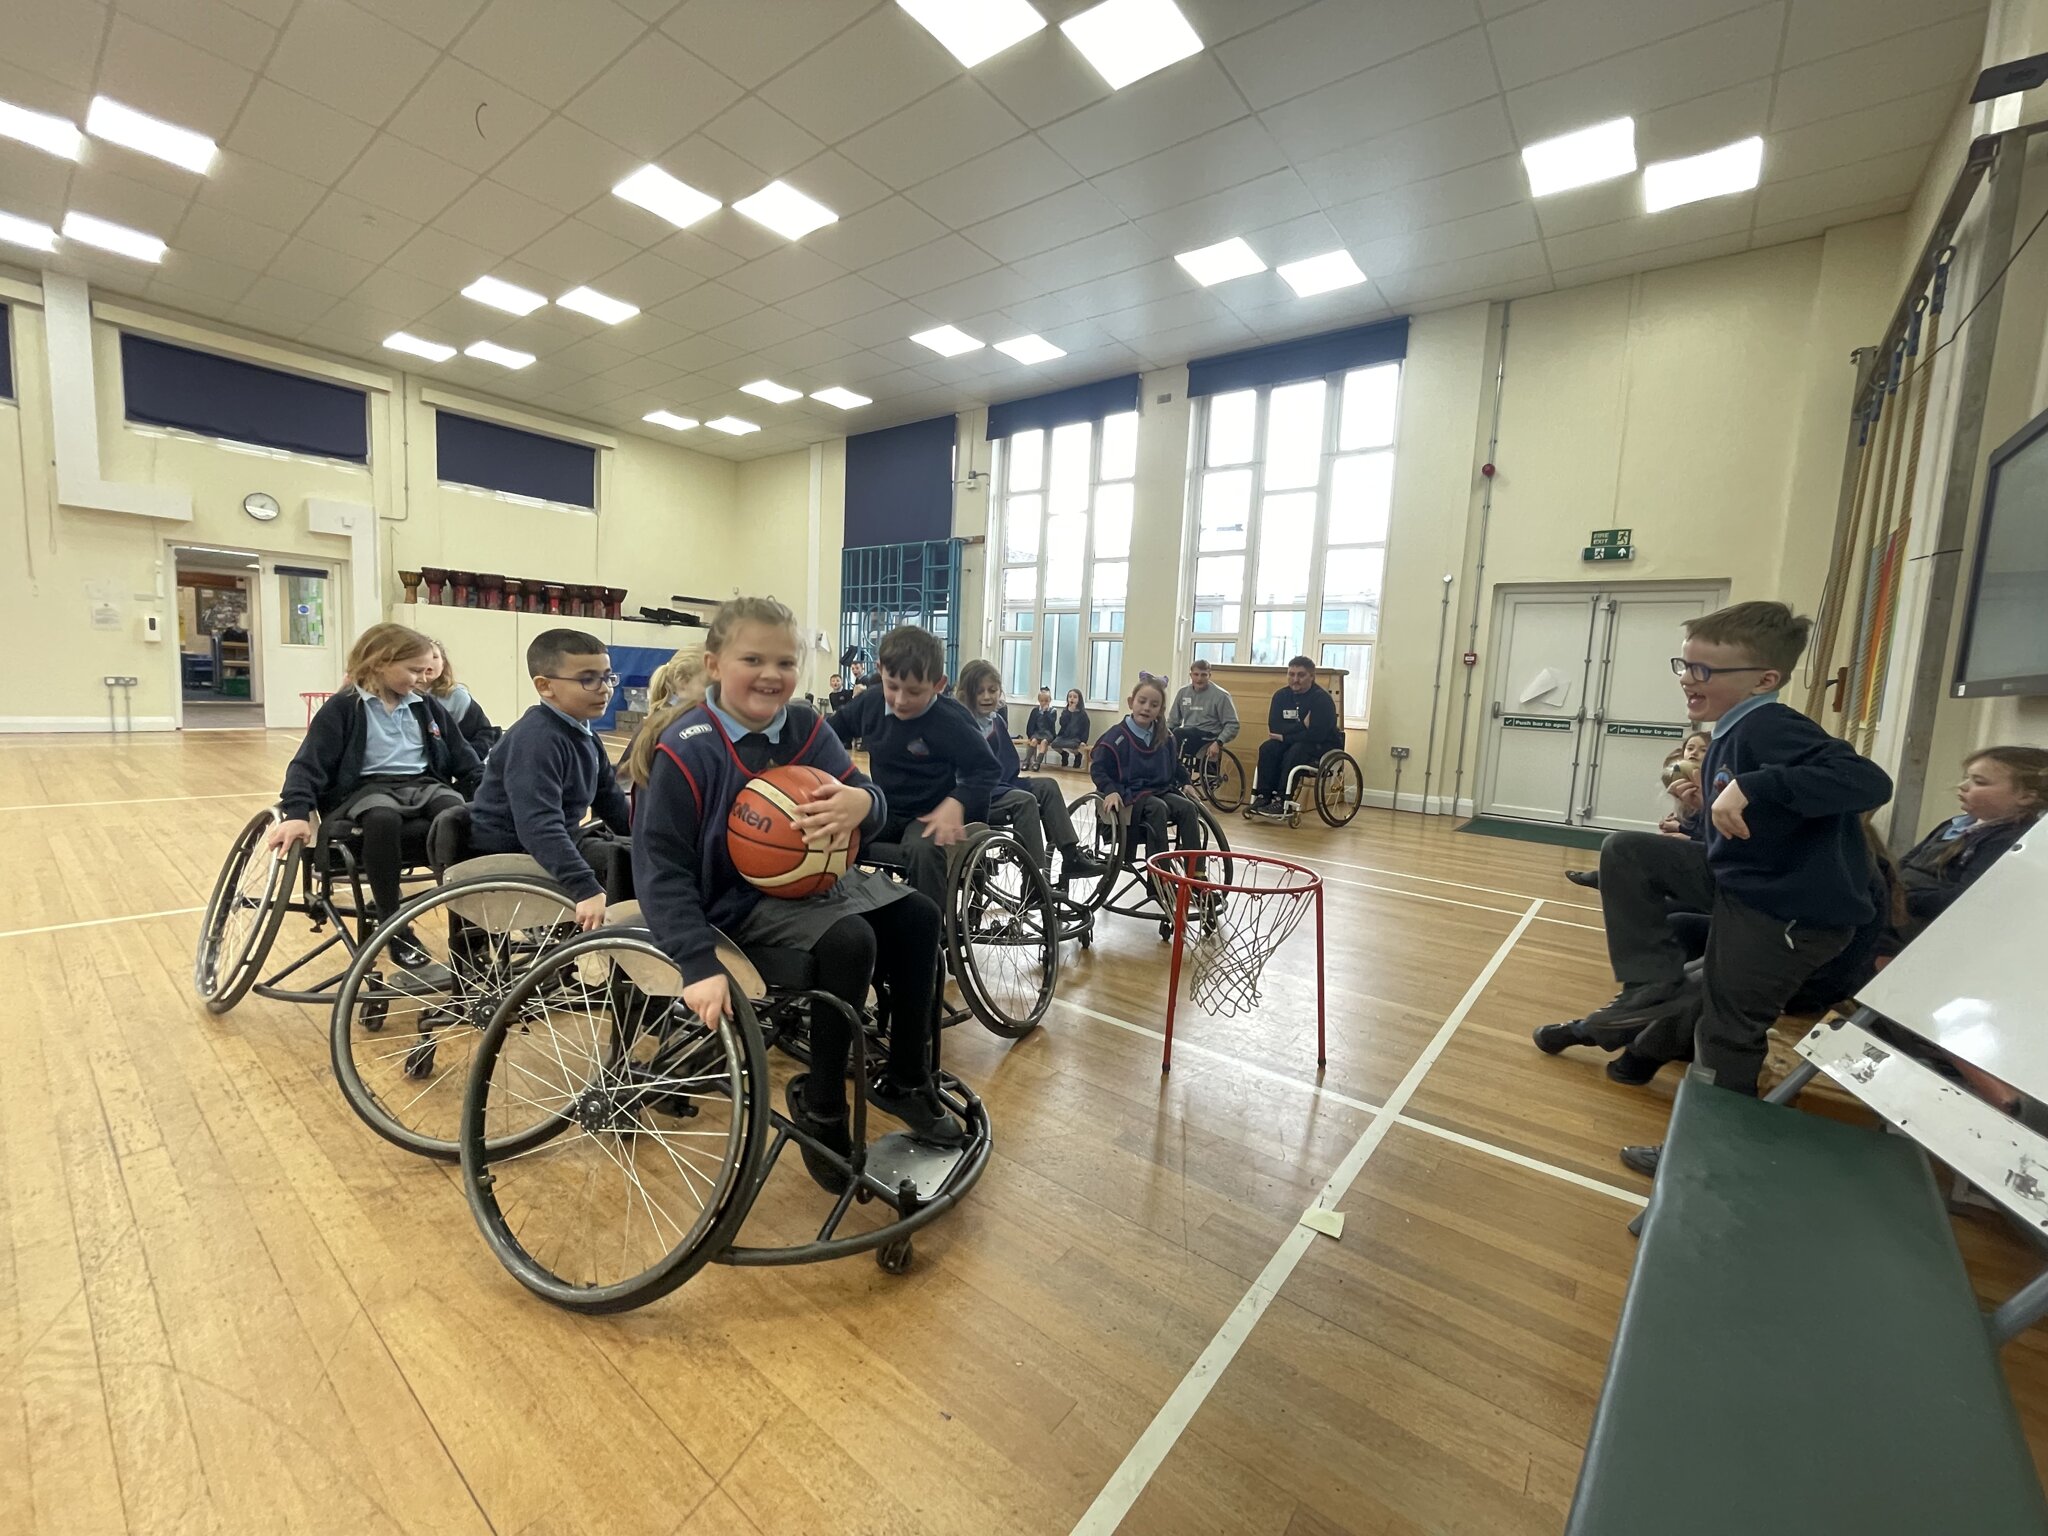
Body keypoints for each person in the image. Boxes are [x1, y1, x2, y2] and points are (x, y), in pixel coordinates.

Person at [1533, 601, 1893, 1177]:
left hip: (1788, 915)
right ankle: (1645, 986)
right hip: (1743, 887)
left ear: (1763, 680)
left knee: (1725, 1032)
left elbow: (1870, 780)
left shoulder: (1771, 725)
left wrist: (1754, 783)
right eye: (1685, 665)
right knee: (1628, 852)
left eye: (1704, 671)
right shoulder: (1730, 729)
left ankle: (1709, 1156)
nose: (1687, 679)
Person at [627, 597, 964, 1183]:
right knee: (849, 941)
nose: (771, 674)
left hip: (812, 885)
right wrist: (695, 962)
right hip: (731, 906)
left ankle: (907, 1078)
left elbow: (864, 794)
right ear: (714, 664)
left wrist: (865, 802)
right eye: (752, 658)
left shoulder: (806, 727)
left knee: (919, 914)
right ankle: (823, 1105)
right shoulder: (688, 747)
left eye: (785, 661)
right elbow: (660, 867)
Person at [270, 622, 482, 968]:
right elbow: (307, 766)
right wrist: (296, 814)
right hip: (368, 790)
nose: (420, 678)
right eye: (413, 670)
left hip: (425, 784)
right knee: (382, 818)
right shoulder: (343, 708)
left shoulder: (426, 707)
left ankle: (470, 931)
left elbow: (466, 760)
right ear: (380, 663)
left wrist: (487, 795)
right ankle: (392, 925)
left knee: (455, 814)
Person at [466, 628, 633, 930]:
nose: (604, 688)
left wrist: (654, 839)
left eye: (608, 676)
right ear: (545, 686)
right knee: (625, 864)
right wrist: (585, 887)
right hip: (512, 851)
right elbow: (537, 825)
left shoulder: (584, 735)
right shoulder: (537, 740)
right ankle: (628, 967)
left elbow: (613, 805)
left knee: (640, 854)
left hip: (555, 839)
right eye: (588, 679)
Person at [828, 625, 998, 909]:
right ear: (880, 670)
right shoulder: (870, 703)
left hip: (929, 814)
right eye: (892, 686)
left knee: (924, 849)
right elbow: (827, 738)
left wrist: (957, 801)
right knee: (833, 831)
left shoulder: (951, 720)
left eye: (914, 691)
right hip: (884, 808)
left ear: (938, 685)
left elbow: (986, 769)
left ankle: (931, 937)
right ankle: (847, 915)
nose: (900, 700)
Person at [956, 660, 1107, 887]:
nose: (987, 696)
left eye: (992, 690)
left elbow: (1006, 764)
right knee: (1025, 800)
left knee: (1048, 785)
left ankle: (1071, 856)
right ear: (966, 693)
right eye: (980, 691)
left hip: (1002, 785)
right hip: (978, 795)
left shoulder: (995, 721)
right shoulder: (961, 723)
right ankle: (1034, 878)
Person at [1886, 746, 2047, 955]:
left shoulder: (2008, 840)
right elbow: (1904, 865)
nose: (1962, 786)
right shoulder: (1953, 825)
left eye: (1979, 782)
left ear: (2026, 797)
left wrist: (1902, 899)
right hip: (1897, 912)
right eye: (1966, 778)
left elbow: (1969, 898)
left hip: (1925, 934)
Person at [1091, 675, 1203, 904]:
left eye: (1154, 705)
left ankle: (1196, 875)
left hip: (1159, 789)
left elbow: (1175, 766)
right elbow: (1099, 769)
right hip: (1128, 795)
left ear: (1161, 710)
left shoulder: (1165, 736)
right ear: (1131, 701)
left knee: (1188, 808)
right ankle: (1160, 880)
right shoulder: (1116, 737)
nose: (1146, 708)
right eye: (1142, 702)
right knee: (1158, 808)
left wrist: (1186, 783)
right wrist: (1110, 789)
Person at [1565, 729, 1711, 888]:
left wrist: (1683, 831)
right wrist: (1676, 822)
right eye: (1690, 748)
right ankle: (1609, 878)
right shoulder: (1681, 775)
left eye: (1703, 750)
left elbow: (1710, 834)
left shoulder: (1711, 787)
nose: (1694, 753)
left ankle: (1605, 878)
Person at [1250, 656, 1338, 814]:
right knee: (1268, 748)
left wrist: (1286, 736)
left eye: (1301, 675)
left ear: (1311, 676)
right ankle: (1263, 796)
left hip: (1320, 745)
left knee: (1296, 750)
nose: (1295, 679)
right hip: (1291, 742)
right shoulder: (1280, 696)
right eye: (1291, 674)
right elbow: (1275, 727)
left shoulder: (1322, 700)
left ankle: (1283, 799)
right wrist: (1301, 725)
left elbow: (1316, 734)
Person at [418, 638, 499, 754]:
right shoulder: (401, 695)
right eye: (423, 657)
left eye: (435, 657)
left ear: (443, 664)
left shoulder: (456, 696)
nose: (429, 663)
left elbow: (483, 734)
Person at [1167, 659, 1240, 770]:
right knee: (1167, 736)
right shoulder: (1183, 693)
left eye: (1203, 675)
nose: (1199, 679)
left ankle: (1173, 769)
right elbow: (1173, 720)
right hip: (1188, 734)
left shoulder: (1221, 695)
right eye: (1196, 674)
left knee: (1179, 733)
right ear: (1190, 675)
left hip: (1208, 735)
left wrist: (1218, 742)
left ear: (1209, 675)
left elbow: (1233, 724)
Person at [1050, 688, 1090, 768]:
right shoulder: (1065, 711)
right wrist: (1068, 712)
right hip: (1064, 735)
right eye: (1070, 696)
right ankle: (1064, 754)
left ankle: (1077, 755)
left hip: (1075, 737)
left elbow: (1086, 728)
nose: (1072, 698)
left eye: (1075, 697)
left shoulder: (1082, 714)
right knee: (1054, 744)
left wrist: (1083, 741)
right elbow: (1062, 723)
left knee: (1072, 745)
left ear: (1079, 700)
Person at [1023, 688, 1059, 771]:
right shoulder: (1035, 711)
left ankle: (1037, 763)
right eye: (1042, 701)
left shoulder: (1052, 711)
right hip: (1037, 732)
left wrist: (1046, 712)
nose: (1044, 703)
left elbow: (1051, 722)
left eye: (1046, 701)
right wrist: (1030, 734)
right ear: (1039, 701)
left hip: (1047, 733)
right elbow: (1030, 723)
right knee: (1033, 741)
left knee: (1044, 742)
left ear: (1050, 700)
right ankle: (1026, 761)